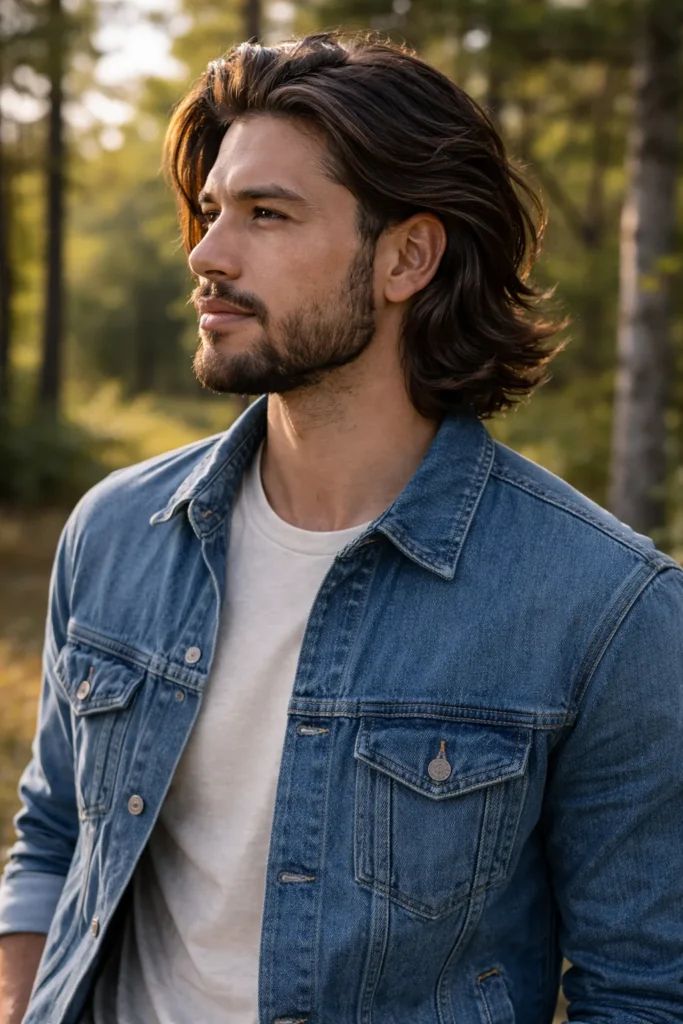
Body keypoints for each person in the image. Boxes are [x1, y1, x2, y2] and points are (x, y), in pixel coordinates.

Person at [1, 31, 682, 1024]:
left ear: (407, 255)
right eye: (210, 211)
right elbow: (57, 828)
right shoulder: (114, 533)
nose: (206, 254)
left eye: (266, 215)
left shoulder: (604, 611)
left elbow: (643, 992)